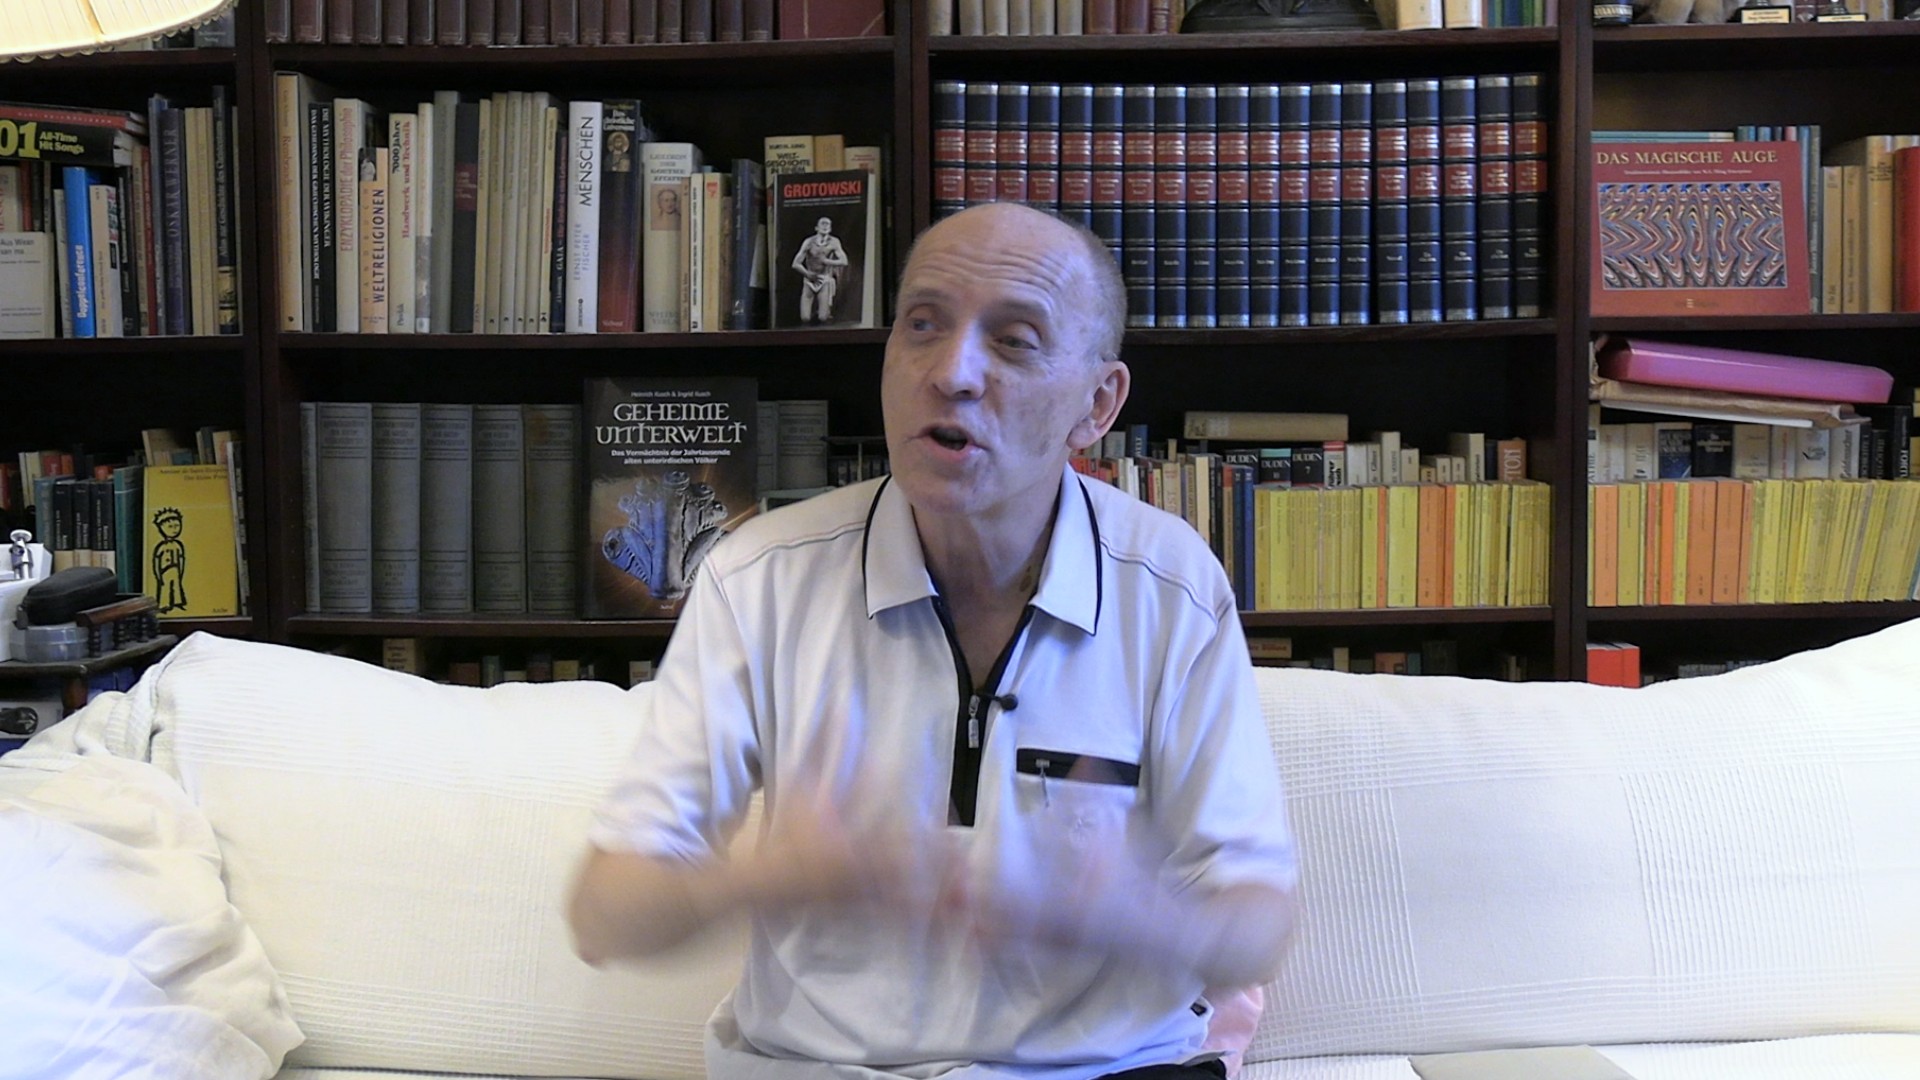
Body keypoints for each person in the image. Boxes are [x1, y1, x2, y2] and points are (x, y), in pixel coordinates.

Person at [568, 202, 1299, 1080]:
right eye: (922, 325)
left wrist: (1120, 916)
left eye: (1015, 341)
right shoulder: (759, 578)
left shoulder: (1171, 586)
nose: (951, 372)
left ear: (1097, 404)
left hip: (1107, 1071)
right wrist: (773, 877)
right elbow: (601, 915)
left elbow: (1260, 926)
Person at [791, 214, 848, 324]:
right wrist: (807, 274)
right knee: (805, 318)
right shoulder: (809, 242)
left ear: (830, 228)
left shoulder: (834, 242)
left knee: (823, 317)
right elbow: (795, 263)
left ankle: (824, 312)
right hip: (809, 280)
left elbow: (844, 261)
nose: (825, 226)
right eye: (823, 223)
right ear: (816, 228)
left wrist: (827, 261)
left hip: (824, 279)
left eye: (827, 224)